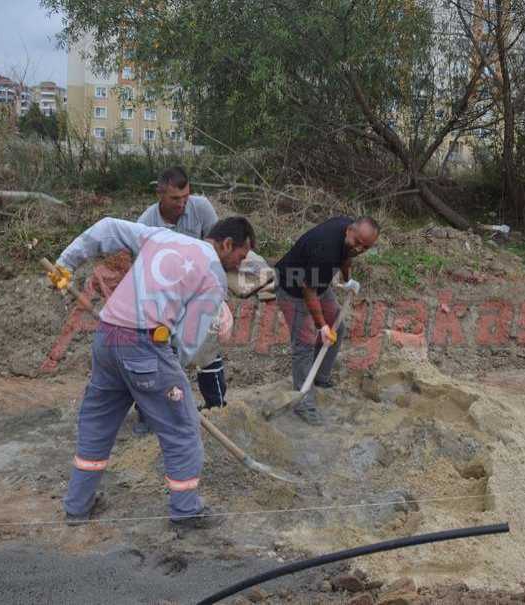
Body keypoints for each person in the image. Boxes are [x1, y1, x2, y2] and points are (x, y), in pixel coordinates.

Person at [46, 215, 255, 528]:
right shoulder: (213, 273)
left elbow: (107, 227)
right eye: (241, 255)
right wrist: (169, 378)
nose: (240, 264)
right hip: (146, 345)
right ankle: (186, 512)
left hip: (108, 335)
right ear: (227, 244)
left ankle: (77, 506)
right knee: (182, 428)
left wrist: (66, 263)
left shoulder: (161, 236)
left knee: (97, 423)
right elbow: (188, 341)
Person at [135, 167, 227, 430]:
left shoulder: (201, 209)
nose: (182, 203)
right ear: (160, 194)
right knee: (158, 355)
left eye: (186, 197)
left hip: (198, 292)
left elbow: (217, 253)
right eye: (175, 199)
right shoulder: (146, 223)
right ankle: (149, 414)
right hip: (161, 297)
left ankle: (216, 408)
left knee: (207, 349)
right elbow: (142, 271)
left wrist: (218, 299)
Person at [274, 216, 380, 426]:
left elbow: (347, 255)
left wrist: (347, 280)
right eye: (358, 243)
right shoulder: (325, 250)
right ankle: (304, 403)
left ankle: (320, 377)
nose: (360, 249)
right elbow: (308, 291)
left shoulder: (349, 235)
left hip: (316, 283)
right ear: (349, 231)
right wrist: (321, 326)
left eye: (366, 247)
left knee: (337, 328)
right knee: (304, 344)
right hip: (292, 287)